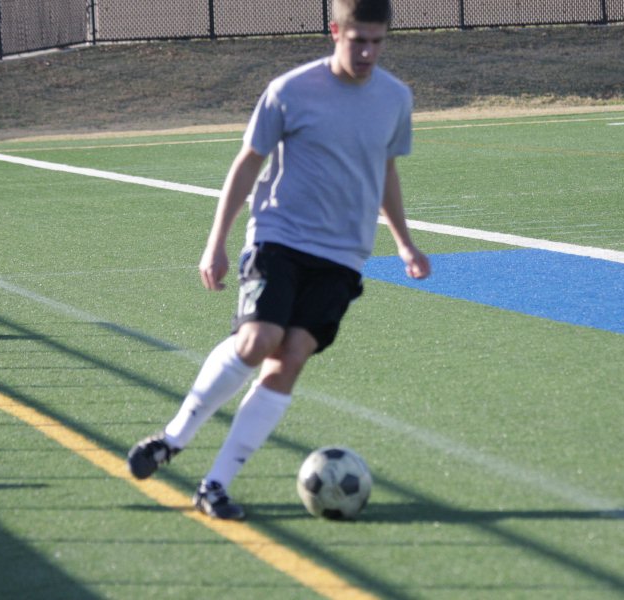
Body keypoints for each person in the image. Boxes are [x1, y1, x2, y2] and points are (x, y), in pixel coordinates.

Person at [126, 0, 430, 520]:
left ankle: (215, 484)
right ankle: (174, 438)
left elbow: (386, 170)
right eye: (358, 39)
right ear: (335, 30)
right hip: (279, 239)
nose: (367, 52)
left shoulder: (394, 98)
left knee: (288, 359)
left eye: (377, 41)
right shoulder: (290, 90)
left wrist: (404, 241)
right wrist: (215, 241)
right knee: (258, 341)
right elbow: (248, 163)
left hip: (342, 257)